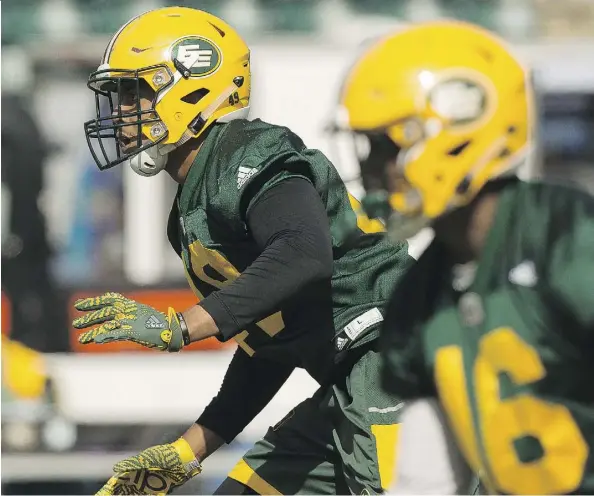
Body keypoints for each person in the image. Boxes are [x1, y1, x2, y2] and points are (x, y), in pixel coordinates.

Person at [72, 7, 413, 495]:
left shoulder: (247, 152)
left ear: (190, 89)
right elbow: (271, 345)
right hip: (347, 382)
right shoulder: (191, 213)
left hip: (399, 358)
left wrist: (182, 326)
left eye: (135, 92)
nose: (122, 110)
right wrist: (188, 451)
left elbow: (302, 253)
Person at [332, 19, 594, 494]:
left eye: (385, 147)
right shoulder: (420, 296)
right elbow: (425, 480)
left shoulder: (568, 236)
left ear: (450, 133)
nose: (370, 171)